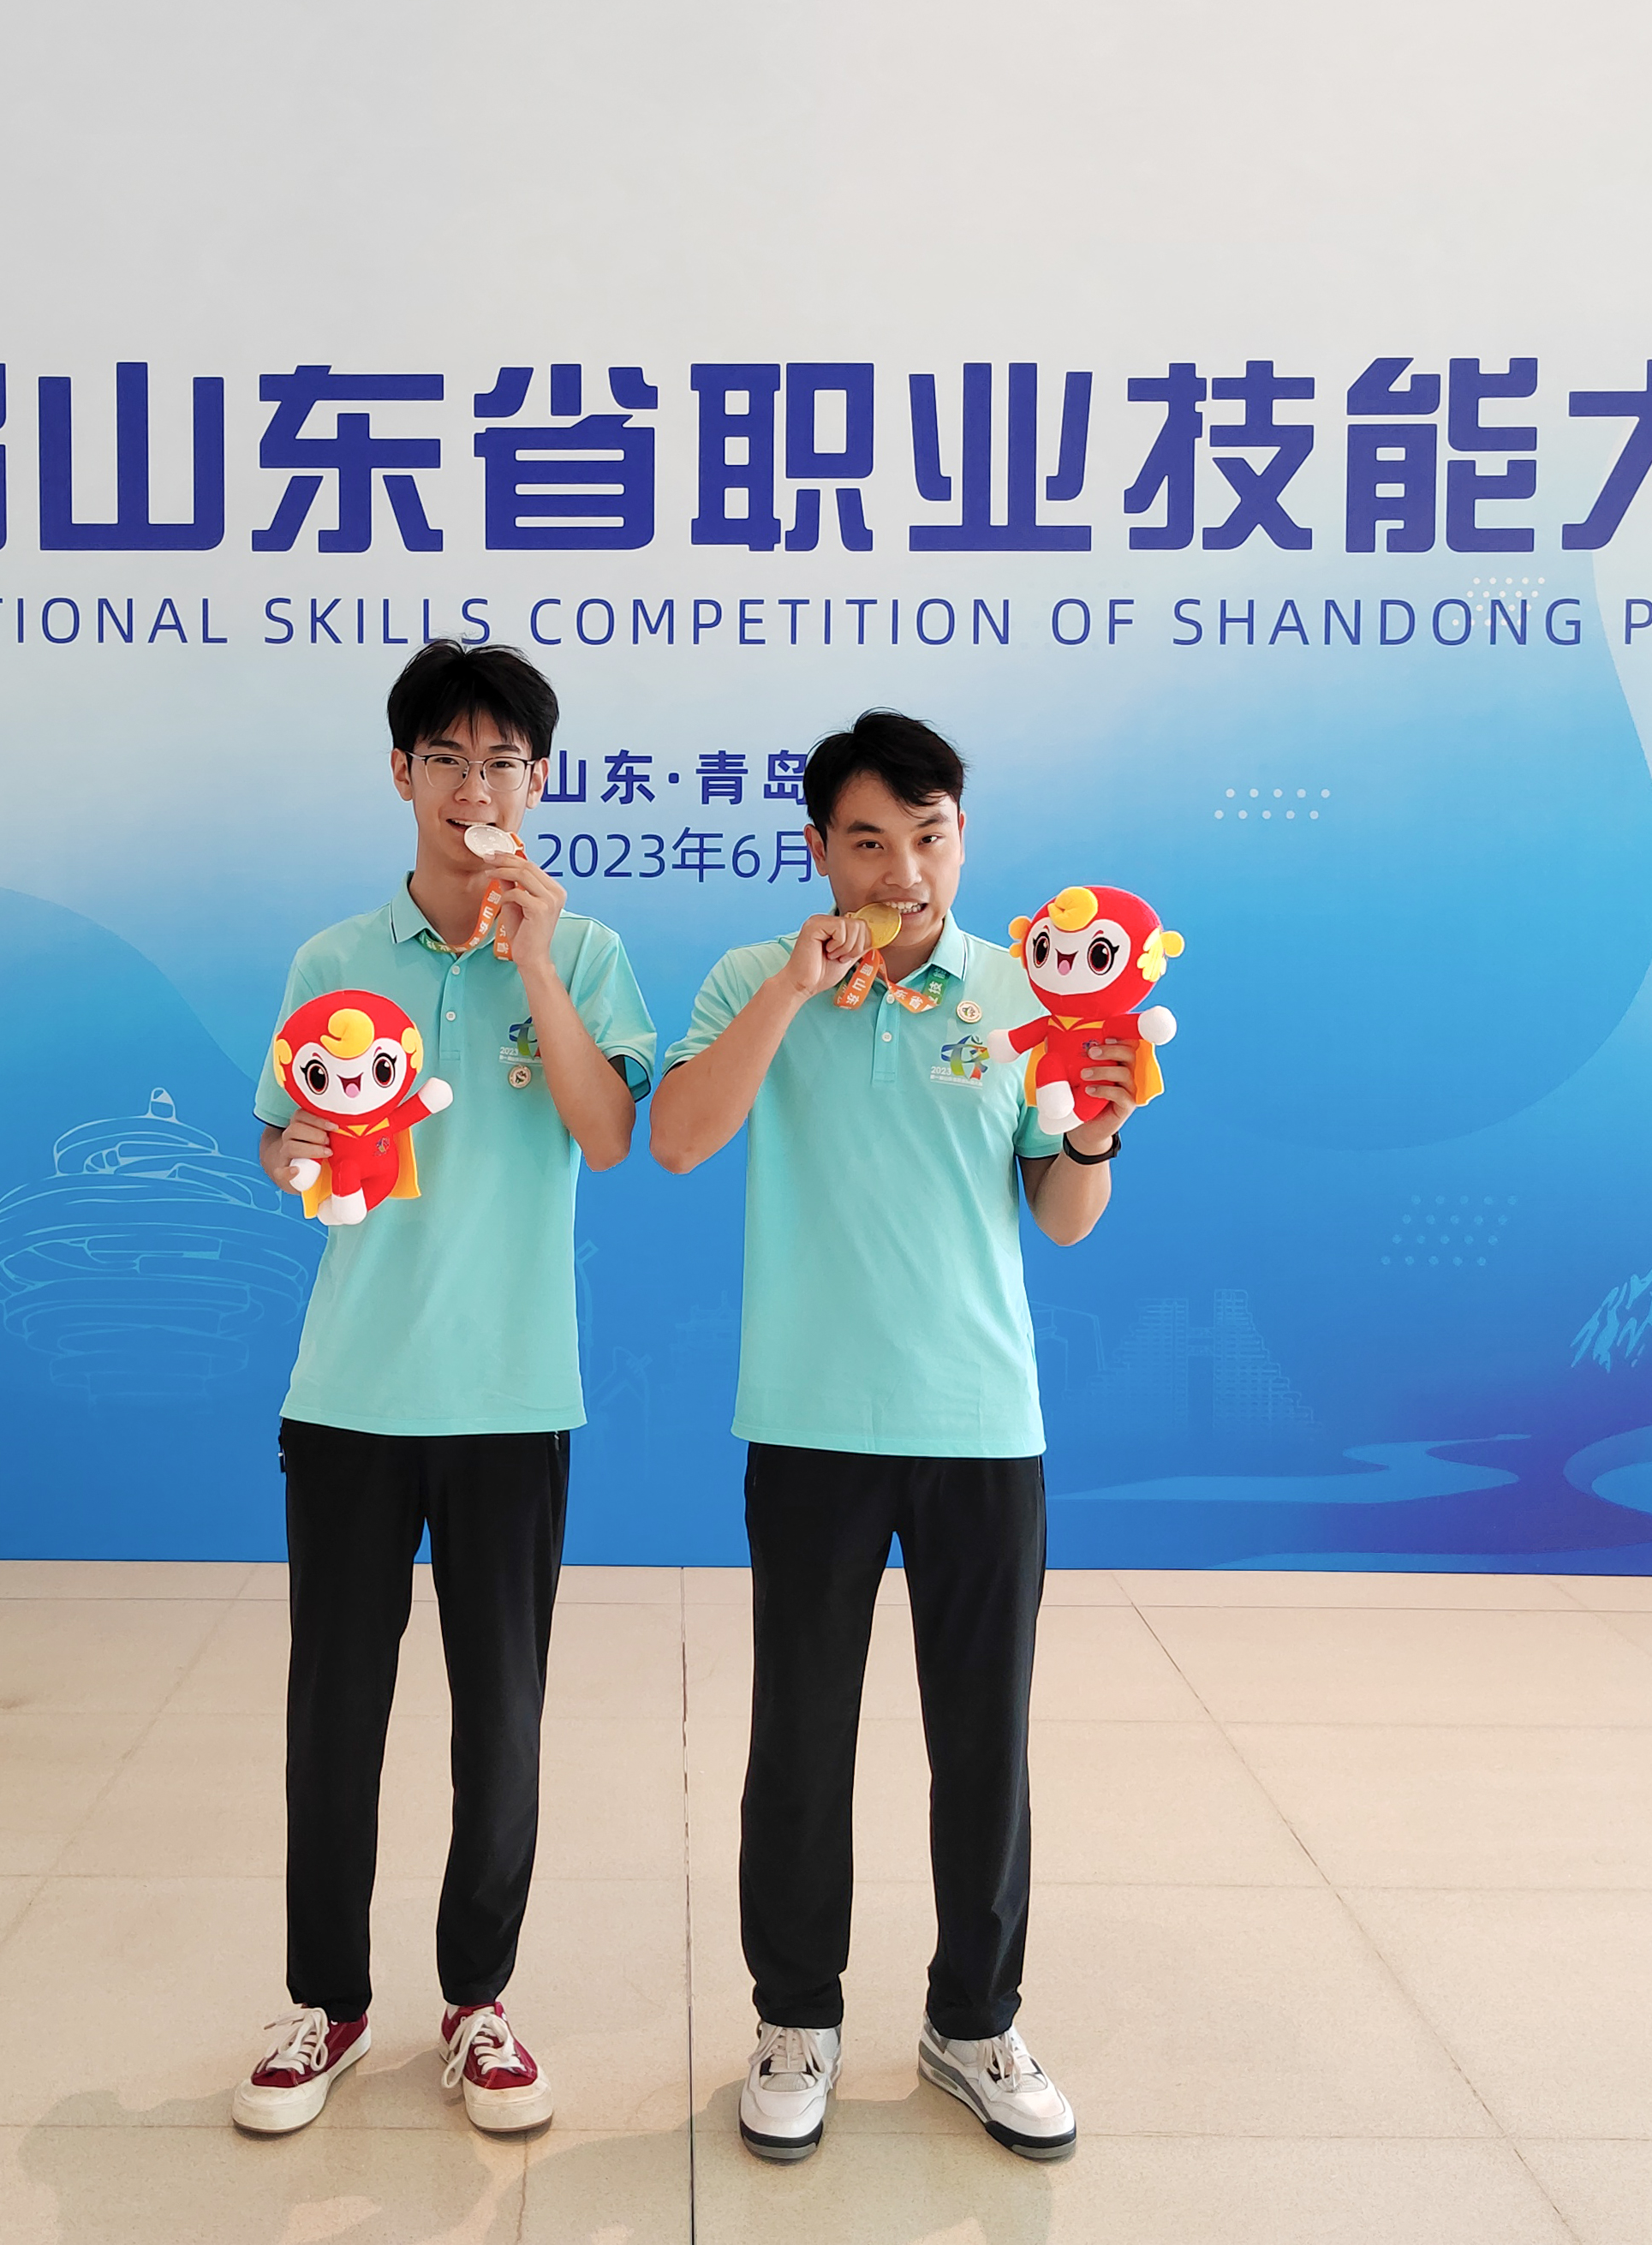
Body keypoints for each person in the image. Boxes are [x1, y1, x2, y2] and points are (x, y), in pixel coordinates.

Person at [647, 709, 1142, 2165]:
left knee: (983, 1744)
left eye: (928, 837)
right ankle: (794, 2019)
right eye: (868, 841)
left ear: (961, 837)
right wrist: (792, 994)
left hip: (981, 1421)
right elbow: (676, 1138)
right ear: (819, 850)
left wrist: (1093, 1134)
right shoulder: (754, 978)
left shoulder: (1027, 990)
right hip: (808, 1422)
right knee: (799, 1739)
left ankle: (973, 2022)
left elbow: (1061, 1215)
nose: (903, 872)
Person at [230, 640, 659, 2142]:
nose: (475, 788)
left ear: (537, 780)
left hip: (512, 1395)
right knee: (333, 1713)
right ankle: (326, 2005)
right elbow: (281, 1135)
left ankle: (477, 2003)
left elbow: (607, 1136)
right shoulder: (332, 959)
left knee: (502, 1720)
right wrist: (294, 1161)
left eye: (502, 763)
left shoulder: (585, 953)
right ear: (400, 773)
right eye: (447, 759)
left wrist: (533, 958)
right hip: (352, 1393)